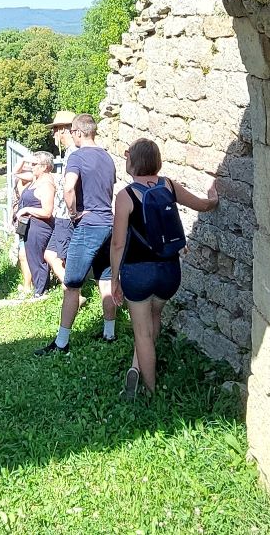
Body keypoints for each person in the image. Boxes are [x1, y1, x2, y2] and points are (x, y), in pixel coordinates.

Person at [110, 138, 218, 395]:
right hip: (169, 270)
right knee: (154, 317)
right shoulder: (168, 185)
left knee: (142, 332)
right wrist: (213, 197)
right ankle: (137, 368)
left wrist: (114, 279)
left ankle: (149, 390)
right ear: (156, 161)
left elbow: (117, 244)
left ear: (133, 162)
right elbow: (202, 205)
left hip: (138, 272)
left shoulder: (125, 197)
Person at [36, 114, 121, 356]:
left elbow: (69, 186)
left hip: (88, 225)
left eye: (71, 132)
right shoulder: (107, 157)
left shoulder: (77, 156)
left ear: (78, 132)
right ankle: (109, 332)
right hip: (108, 224)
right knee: (105, 279)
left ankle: (61, 343)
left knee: (71, 285)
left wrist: (74, 213)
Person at [14, 151, 65, 296]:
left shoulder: (46, 184)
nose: (31, 166)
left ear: (45, 167)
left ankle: (41, 292)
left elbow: (47, 211)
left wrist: (26, 209)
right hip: (30, 224)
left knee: (37, 259)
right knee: (32, 257)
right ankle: (40, 289)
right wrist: (25, 159)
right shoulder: (35, 178)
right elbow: (15, 173)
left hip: (39, 226)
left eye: (35, 164)